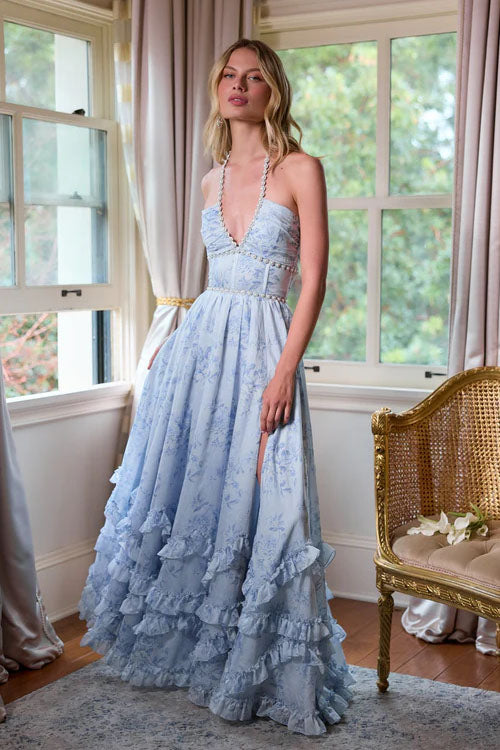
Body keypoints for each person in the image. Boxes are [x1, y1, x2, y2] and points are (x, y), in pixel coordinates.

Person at [78, 37, 355, 736]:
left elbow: (313, 281)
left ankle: (267, 668)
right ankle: (202, 653)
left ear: (272, 90)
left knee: (270, 503)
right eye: (229, 75)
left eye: (253, 76)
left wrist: (285, 369)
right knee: (199, 496)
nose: (239, 85)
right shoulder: (209, 180)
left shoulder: (301, 169)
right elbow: (211, 283)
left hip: (266, 348)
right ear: (218, 89)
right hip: (200, 353)